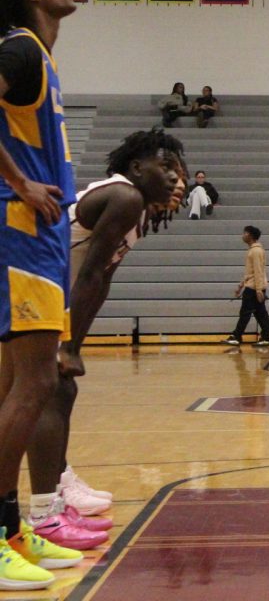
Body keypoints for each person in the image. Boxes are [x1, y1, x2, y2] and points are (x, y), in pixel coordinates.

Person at [26, 130, 183, 550]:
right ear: (136, 168)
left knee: (59, 389)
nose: (175, 178)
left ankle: (55, 490)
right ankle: (45, 511)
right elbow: (90, 272)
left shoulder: (138, 211)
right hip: (28, 286)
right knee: (50, 390)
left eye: (178, 170)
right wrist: (68, 345)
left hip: (48, 291)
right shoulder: (125, 197)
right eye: (166, 167)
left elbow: (100, 280)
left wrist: (74, 341)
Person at [0, 0, 87, 590]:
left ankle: (12, 530)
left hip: (39, 239)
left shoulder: (39, 54)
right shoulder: (19, 49)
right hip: (19, 233)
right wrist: (21, 185)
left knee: (18, 388)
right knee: (33, 387)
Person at [222, 226, 269, 347]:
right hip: (253, 286)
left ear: (250, 236)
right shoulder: (253, 250)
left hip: (254, 288)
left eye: (245, 233)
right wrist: (240, 286)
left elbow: (258, 271)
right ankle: (266, 337)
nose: (242, 235)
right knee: (260, 313)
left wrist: (259, 290)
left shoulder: (256, 251)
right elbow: (250, 272)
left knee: (245, 312)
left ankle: (237, 336)